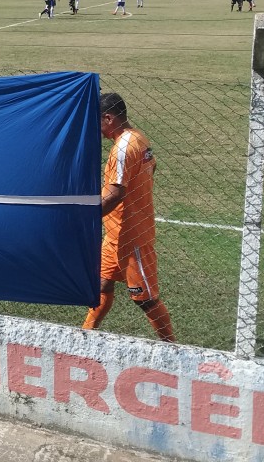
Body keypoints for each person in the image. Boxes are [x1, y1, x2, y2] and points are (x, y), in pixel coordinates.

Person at [83, 93, 175, 342]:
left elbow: (115, 194)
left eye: (96, 122)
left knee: (145, 299)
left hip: (130, 235)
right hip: (114, 235)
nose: (95, 129)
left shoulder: (123, 148)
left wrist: (86, 219)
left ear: (108, 118)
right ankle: (85, 335)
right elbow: (152, 165)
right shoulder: (139, 138)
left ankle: (173, 348)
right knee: (101, 285)